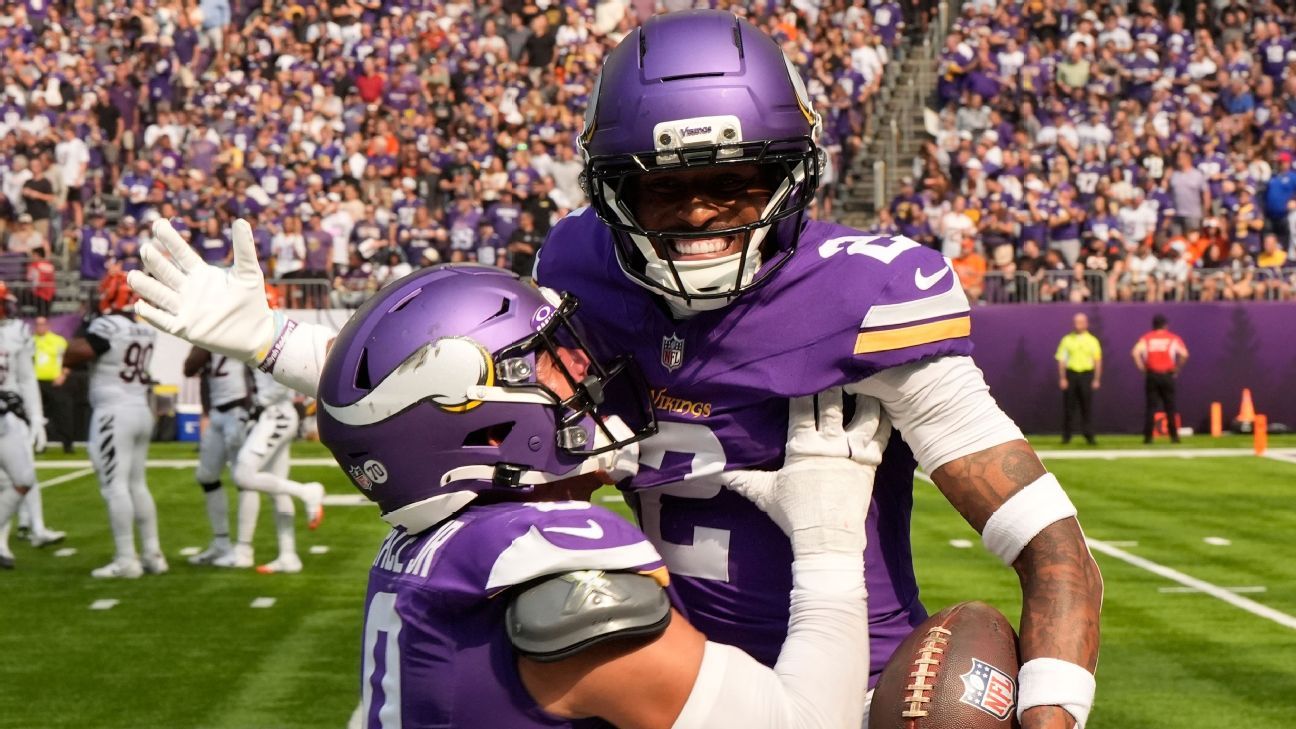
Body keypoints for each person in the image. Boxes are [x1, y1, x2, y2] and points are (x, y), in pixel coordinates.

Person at [130, 13, 1102, 728]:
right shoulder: (583, 265)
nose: (701, 213)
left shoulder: (870, 296)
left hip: (853, 685)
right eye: (663, 189)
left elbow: (1053, 550)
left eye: (734, 182)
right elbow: (470, 394)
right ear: (612, 192)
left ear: (790, 175)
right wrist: (275, 340)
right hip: (659, 677)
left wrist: (1053, 712)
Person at [323, 265, 886, 728]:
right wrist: (828, 545)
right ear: (489, 430)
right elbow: (808, 723)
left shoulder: (432, 550)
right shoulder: (549, 573)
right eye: (546, 358)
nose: (580, 364)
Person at [64, 271, 165, 578]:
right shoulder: (145, 329)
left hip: (113, 412)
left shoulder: (107, 325)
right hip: (139, 409)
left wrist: (84, 326)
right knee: (137, 484)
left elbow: (72, 355)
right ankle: (153, 555)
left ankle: (126, 560)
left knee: (114, 486)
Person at [220, 365, 325, 573]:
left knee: (243, 475)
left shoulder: (266, 345)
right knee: (278, 488)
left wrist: (260, 404)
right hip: (275, 413)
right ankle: (288, 555)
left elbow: (282, 376)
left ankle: (307, 491)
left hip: (275, 415)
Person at [0, 285, 62, 569]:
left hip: (8, 417)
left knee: (22, 478)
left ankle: (24, 532)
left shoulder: (17, 332)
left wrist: (37, 417)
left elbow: (26, 378)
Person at [183, 345, 252, 565]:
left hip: (239, 410)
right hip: (217, 412)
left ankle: (244, 549)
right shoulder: (210, 336)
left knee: (244, 479)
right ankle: (221, 544)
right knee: (207, 476)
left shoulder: (239, 333)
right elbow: (189, 368)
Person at [1132, 314, 1189, 444]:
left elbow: (1135, 353)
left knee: (1151, 407)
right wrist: (1177, 368)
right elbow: (1185, 354)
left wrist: (1142, 369)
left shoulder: (1147, 338)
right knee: (1170, 407)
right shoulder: (1172, 338)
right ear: (1165, 325)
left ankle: (1148, 437)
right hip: (1167, 375)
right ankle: (1174, 436)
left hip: (1152, 375)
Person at [1055, 313, 1102, 445]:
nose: (1078, 324)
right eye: (1076, 322)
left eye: (1081, 322)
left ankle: (1089, 435)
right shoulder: (1067, 340)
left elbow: (1097, 361)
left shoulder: (1092, 340)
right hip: (1071, 375)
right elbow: (1062, 360)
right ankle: (1067, 436)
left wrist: (1096, 378)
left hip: (1086, 375)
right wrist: (1062, 378)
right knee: (1069, 407)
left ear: (1086, 323)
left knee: (1086, 407)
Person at [32, 317, 72, 454]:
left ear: (48, 325)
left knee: (62, 413)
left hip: (55, 382)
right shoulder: (30, 341)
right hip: (36, 382)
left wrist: (63, 374)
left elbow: (70, 358)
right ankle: (40, 443)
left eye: (42, 324)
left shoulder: (58, 341)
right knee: (37, 414)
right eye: (38, 324)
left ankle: (67, 444)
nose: (40, 327)